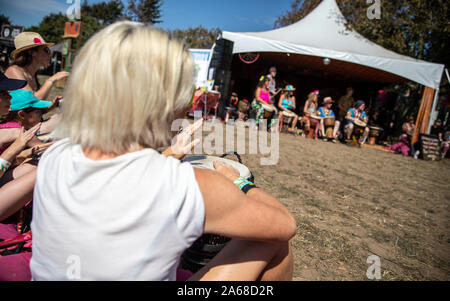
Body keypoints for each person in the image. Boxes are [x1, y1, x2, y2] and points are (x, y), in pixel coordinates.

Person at [30, 21, 296, 281]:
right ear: (160, 101)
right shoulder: (184, 185)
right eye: (185, 94)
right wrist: (235, 180)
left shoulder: (55, 155)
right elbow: (285, 225)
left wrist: (169, 154)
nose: (189, 108)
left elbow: (117, 180)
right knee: (273, 244)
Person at [4, 32, 69, 100]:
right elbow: (31, 100)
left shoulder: (31, 74)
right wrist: (51, 80)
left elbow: (33, 108)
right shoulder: (14, 70)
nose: (50, 55)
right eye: (46, 50)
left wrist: (52, 106)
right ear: (32, 52)